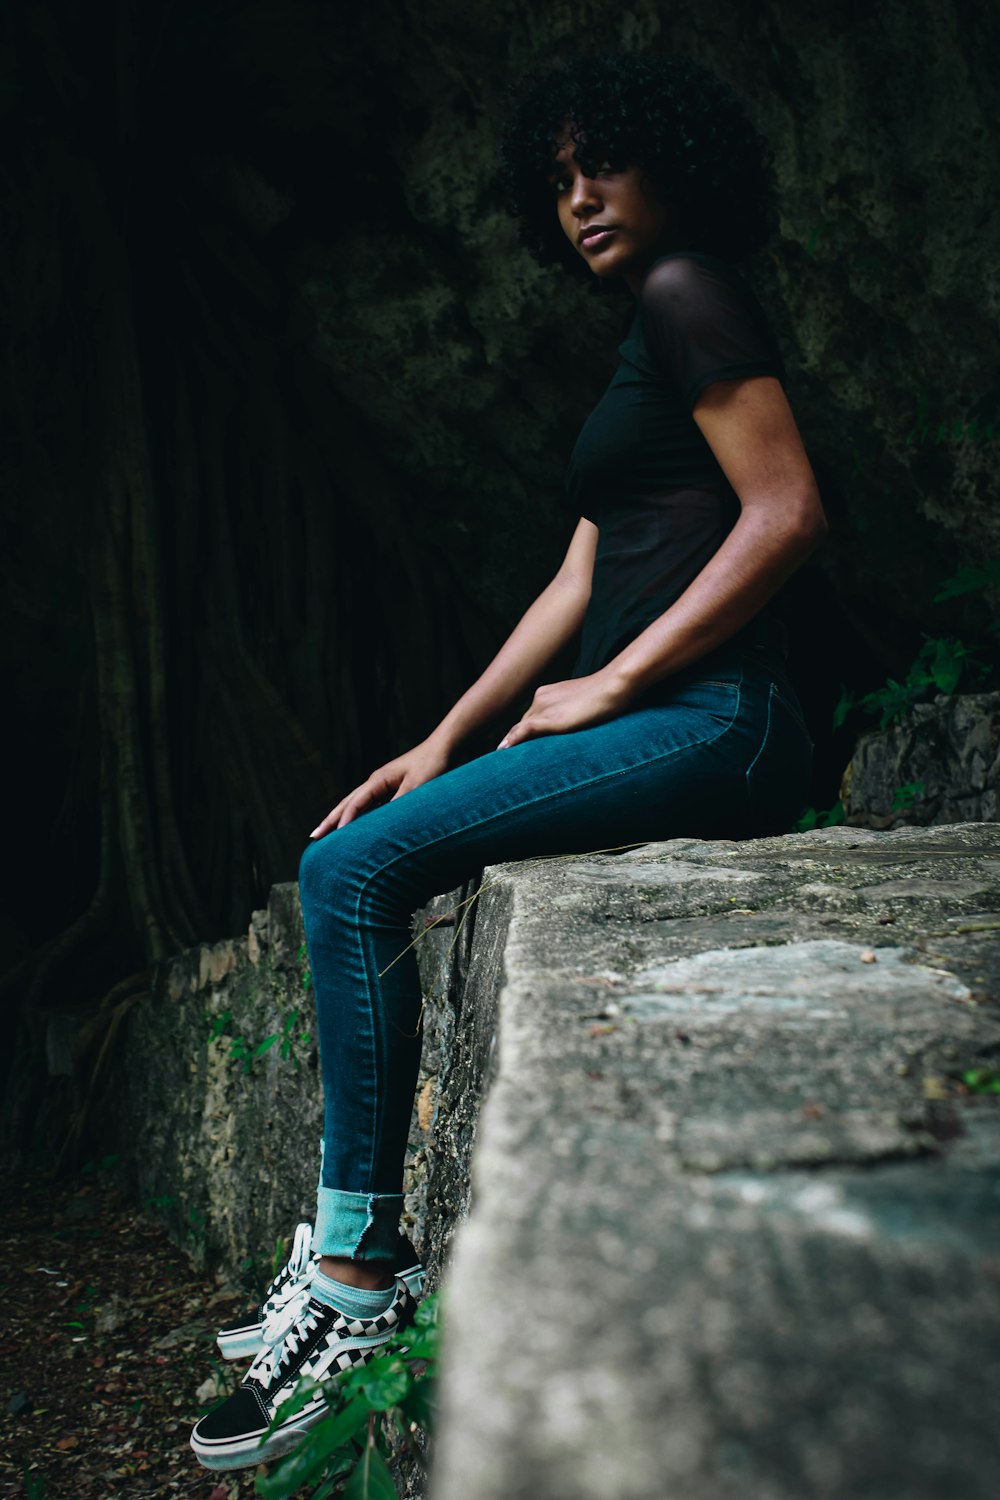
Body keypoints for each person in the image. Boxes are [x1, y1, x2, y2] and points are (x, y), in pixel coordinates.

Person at [190, 51, 826, 1471]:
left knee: (348, 874)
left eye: (604, 164)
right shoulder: (641, 339)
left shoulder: (690, 291)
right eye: (555, 180)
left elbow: (788, 513)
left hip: (722, 716)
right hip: (676, 711)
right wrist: (441, 738)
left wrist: (614, 680)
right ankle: (343, 1256)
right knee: (355, 843)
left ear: (677, 161)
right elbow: (573, 576)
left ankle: (357, 1278)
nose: (579, 198)